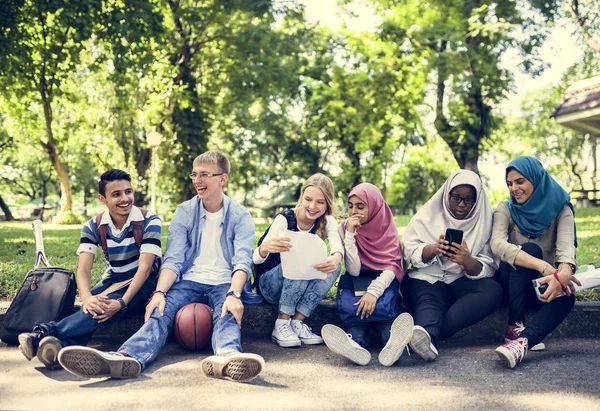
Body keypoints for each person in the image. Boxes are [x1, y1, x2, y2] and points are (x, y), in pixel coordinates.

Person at [58, 150, 265, 382]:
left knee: (227, 312)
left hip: (225, 282)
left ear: (222, 179)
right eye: (194, 174)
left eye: (204, 175)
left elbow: (242, 260)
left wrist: (234, 293)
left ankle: (227, 359)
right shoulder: (185, 211)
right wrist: (159, 292)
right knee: (159, 310)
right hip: (188, 280)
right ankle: (127, 357)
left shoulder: (240, 215)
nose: (197, 180)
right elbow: (173, 259)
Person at [18, 169, 162, 369]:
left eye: (128, 192)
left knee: (101, 307)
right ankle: (62, 347)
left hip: (145, 282)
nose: (125, 199)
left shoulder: (149, 220)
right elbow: (84, 269)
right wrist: (86, 297)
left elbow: (145, 268)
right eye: (116, 194)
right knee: (91, 305)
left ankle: (42, 335)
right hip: (114, 279)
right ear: (102, 199)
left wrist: (121, 302)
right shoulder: (93, 226)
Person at [402, 170, 502, 361]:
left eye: (468, 199)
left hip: (462, 279)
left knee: (492, 291)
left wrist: (468, 261)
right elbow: (408, 251)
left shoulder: (486, 221)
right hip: (426, 277)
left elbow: (490, 265)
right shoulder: (428, 214)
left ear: (477, 200)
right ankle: (426, 339)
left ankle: (424, 337)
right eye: (456, 197)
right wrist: (432, 249)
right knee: (429, 304)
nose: (461, 205)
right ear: (446, 194)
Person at [491, 156, 580, 369]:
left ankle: (522, 343)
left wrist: (564, 272)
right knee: (529, 250)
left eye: (520, 181)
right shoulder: (506, 208)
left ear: (536, 179)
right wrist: (542, 265)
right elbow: (497, 244)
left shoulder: (561, 208)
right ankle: (514, 325)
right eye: (510, 184)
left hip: (540, 286)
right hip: (510, 284)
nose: (514, 188)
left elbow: (566, 248)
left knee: (567, 297)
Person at [321, 183, 414, 366]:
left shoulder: (387, 228)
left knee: (387, 324)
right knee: (357, 329)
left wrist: (373, 292)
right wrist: (350, 235)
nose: (354, 211)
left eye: (360, 206)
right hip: (357, 284)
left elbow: (391, 267)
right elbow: (354, 270)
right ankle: (354, 347)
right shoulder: (345, 228)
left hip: (382, 286)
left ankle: (393, 347)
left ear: (374, 206)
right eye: (350, 206)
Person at [254, 173, 343, 348]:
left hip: (300, 285)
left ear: (328, 204)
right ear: (302, 197)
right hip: (271, 285)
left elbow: (337, 249)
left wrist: (335, 258)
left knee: (335, 266)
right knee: (300, 257)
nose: (312, 206)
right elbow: (256, 259)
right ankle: (281, 324)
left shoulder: (327, 221)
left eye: (320, 202)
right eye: (308, 199)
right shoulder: (285, 219)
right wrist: (266, 248)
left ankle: (297, 322)